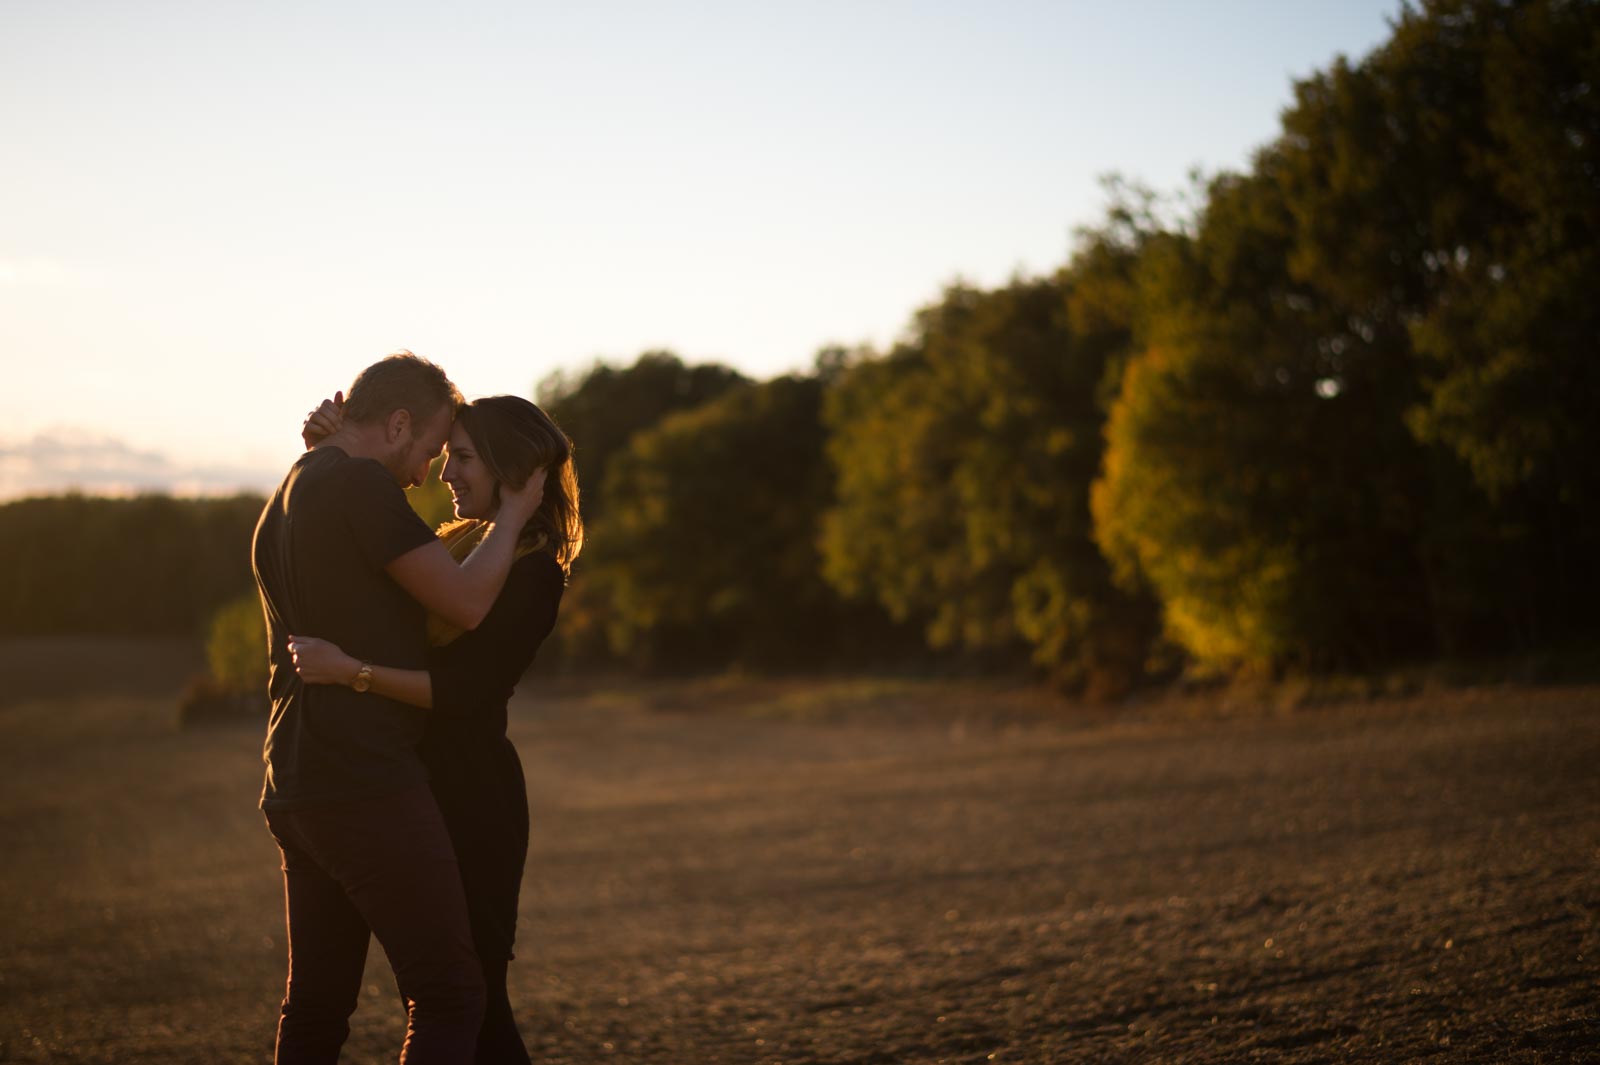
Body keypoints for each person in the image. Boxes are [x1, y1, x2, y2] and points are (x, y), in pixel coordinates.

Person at [253, 353, 545, 1065]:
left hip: (292, 780)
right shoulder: (357, 483)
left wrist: (328, 443)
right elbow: (468, 601)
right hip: (364, 778)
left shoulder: (294, 484)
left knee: (315, 1007)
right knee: (449, 993)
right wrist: (514, 514)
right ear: (399, 422)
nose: (425, 473)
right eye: (428, 450)